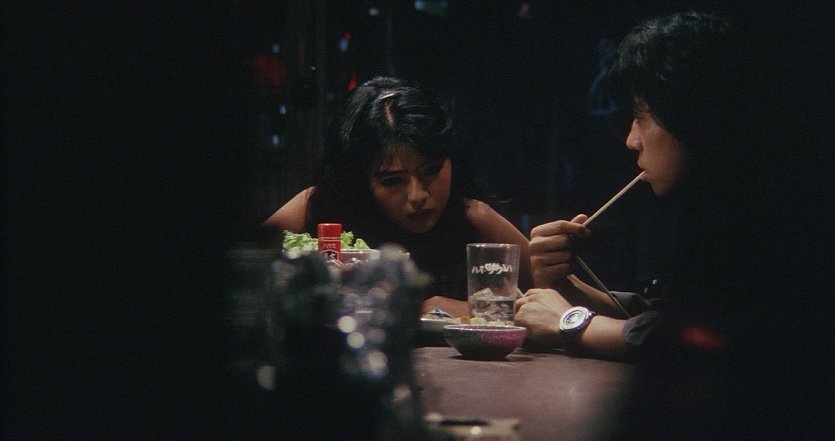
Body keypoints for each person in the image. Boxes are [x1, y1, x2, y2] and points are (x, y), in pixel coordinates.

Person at [514, 11, 833, 439]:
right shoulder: (720, 208)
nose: (631, 140)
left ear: (694, 116)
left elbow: (714, 341)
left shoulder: (778, 219)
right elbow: (671, 316)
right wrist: (568, 285)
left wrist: (572, 322)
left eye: (641, 115)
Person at [264, 76, 532, 318]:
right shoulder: (319, 205)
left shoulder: (473, 217)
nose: (417, 195)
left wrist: (471, 310)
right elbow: (244, 283)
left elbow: (551, 304)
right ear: (359, 178)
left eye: (432, 170)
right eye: (392, 181)